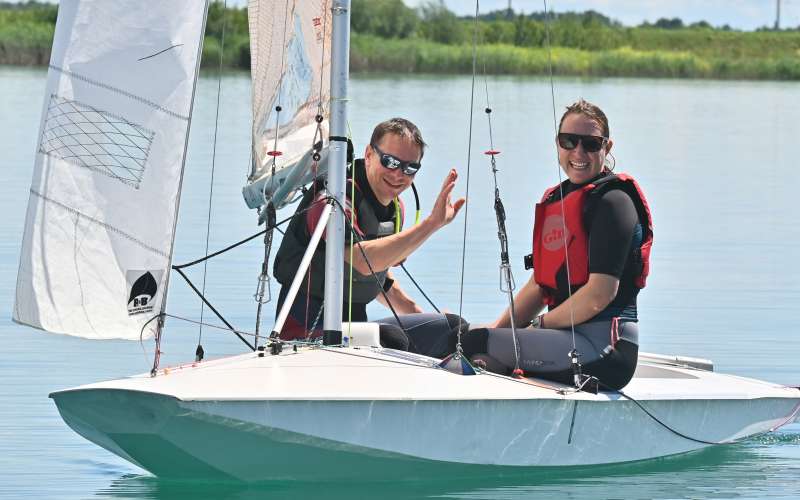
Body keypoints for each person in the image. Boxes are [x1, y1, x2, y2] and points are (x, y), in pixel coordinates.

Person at [462, 99, 653, 390]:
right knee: (457, 334)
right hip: (562, 339)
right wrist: (500, 331)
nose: (578, 152)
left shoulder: (614, 202)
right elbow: (540, 286)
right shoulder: (557, 200)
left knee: (473, 344)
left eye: (590, 144)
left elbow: (599, 295)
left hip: (604, 350)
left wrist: (537, 327)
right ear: (557, 144)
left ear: (607, 147)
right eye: (569, 141)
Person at [273, 117, 466, 347]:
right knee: (394, 340)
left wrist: (417, 312)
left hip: (354, 331)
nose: (398, 174)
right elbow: (363, 261)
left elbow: (377, 277)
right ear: (368, 154)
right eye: (390, 162)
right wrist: (432, 223)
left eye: (409, 167)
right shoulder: (333, 201)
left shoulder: (395, 209)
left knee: (449, 328)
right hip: (305, 334)